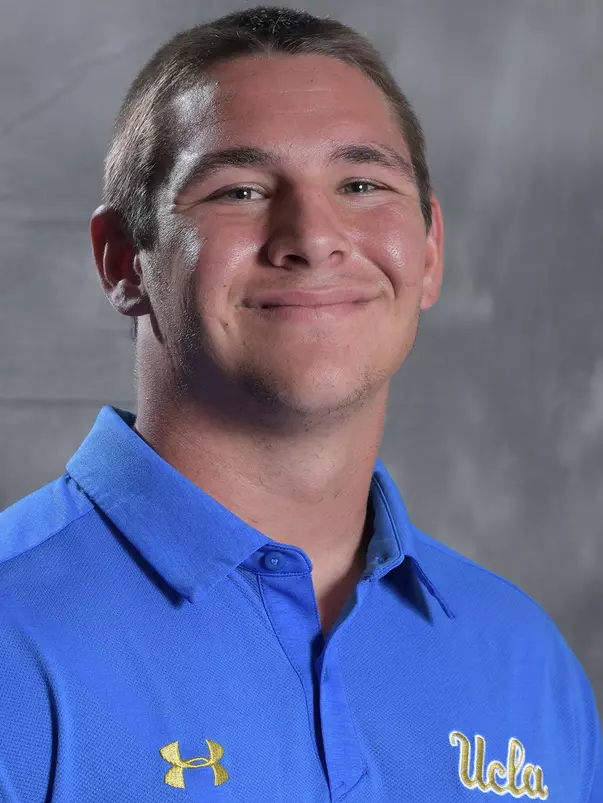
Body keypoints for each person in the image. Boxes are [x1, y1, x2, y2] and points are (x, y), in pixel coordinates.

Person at [0, 5, 601, 801]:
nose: (313, 237)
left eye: (361, 184)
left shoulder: (526, 663)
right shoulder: (14, 636)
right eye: (239, 190)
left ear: (428, 251)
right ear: (122, 262)